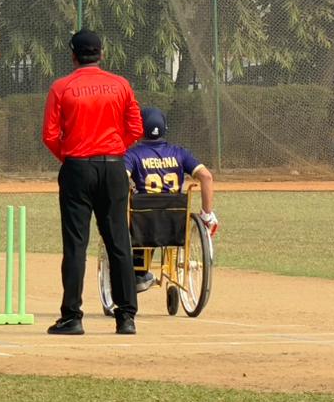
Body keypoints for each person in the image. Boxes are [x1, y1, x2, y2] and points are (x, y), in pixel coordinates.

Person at [42, 30, 144, 335]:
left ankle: (72, 316)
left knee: (76, 244)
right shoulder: (120, 85)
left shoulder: (62, 87)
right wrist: (114, 150)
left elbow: (49, 135)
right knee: (118, 242)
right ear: (101, 53)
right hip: (113, 168)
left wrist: (72, 158)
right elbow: (135, 127)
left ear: (73, 55)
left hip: (77, 168)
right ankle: (126, 317)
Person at [125, 106, 219, 291]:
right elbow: (207, 177)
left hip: (145, 224)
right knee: (167, 214)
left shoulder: (133, 155)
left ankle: (139, 274)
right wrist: (207, 214)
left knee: (140, 215)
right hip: (175, 223)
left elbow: (120, 178)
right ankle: (174, 275)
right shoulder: (179, 153)